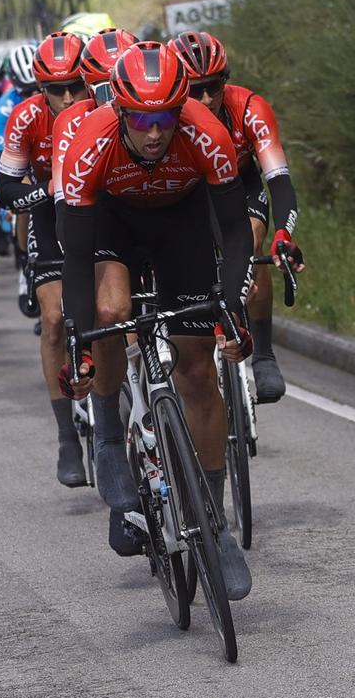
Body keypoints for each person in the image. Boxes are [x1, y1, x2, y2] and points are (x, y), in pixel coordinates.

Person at [54, 43, 255, 598]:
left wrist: (231, 310)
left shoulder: (205, 133)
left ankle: (214, 524)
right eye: (140, 118)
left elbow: (235, 232)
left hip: (180, 222)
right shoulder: (89, 144)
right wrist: (80, 345)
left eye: (165, 117)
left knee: (197, 371)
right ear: (118, 111)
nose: (153, 132)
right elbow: (73, 257)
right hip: (112, 225)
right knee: (113, 312)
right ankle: (111, 435)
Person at [171, 31, 307, 403]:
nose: (206, 99)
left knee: (250, 239)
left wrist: (285, 234)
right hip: (189, 192)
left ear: (224, 81)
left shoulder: (249, 107)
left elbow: (278, 180)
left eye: (214, 86)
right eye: (194, 90)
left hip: (240, 185)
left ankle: (263, 355)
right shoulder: (166, 120)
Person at [0, 32, 93, 487]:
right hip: (50, 221)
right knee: (54, 319)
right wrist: (46, 192)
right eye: (57, 89)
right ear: (41, 90)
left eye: (77, 84)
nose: (69, 96)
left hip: (98, 215)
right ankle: (66, 437)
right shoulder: (25, 117)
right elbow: (5, 189)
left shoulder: (103, 108)